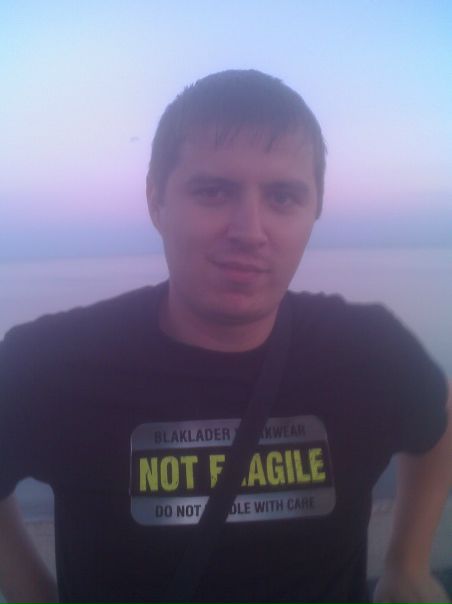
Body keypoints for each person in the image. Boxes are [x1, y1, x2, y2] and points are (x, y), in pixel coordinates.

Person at [0, 69, 451, 604]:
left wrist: (407, 564)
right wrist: (29, 590)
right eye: (213, 191)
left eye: (283, 197)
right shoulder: (52, 365)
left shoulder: (370, 352)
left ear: (315, 209)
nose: (249, 231)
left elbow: (436, 421)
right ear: (156, 201)